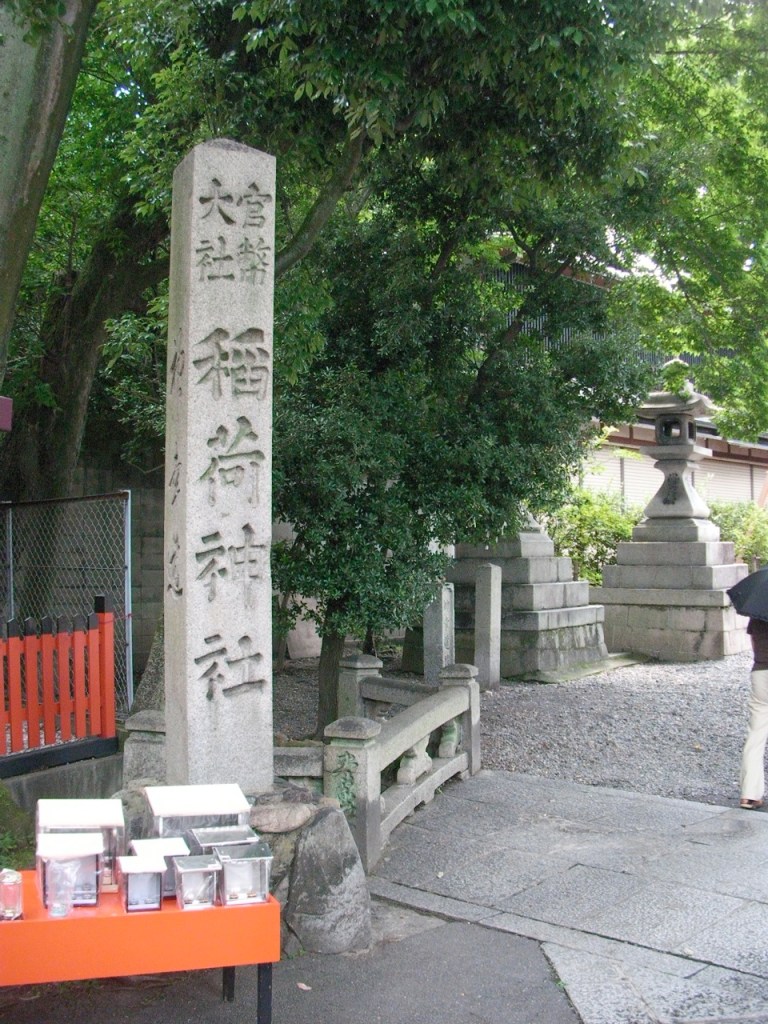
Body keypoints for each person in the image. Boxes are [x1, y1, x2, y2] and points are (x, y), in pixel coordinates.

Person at [739, 616, 768, 809]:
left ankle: (749, 794)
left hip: (760, 672)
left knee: (756, 733)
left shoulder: (757, 613)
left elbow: (753, 642)